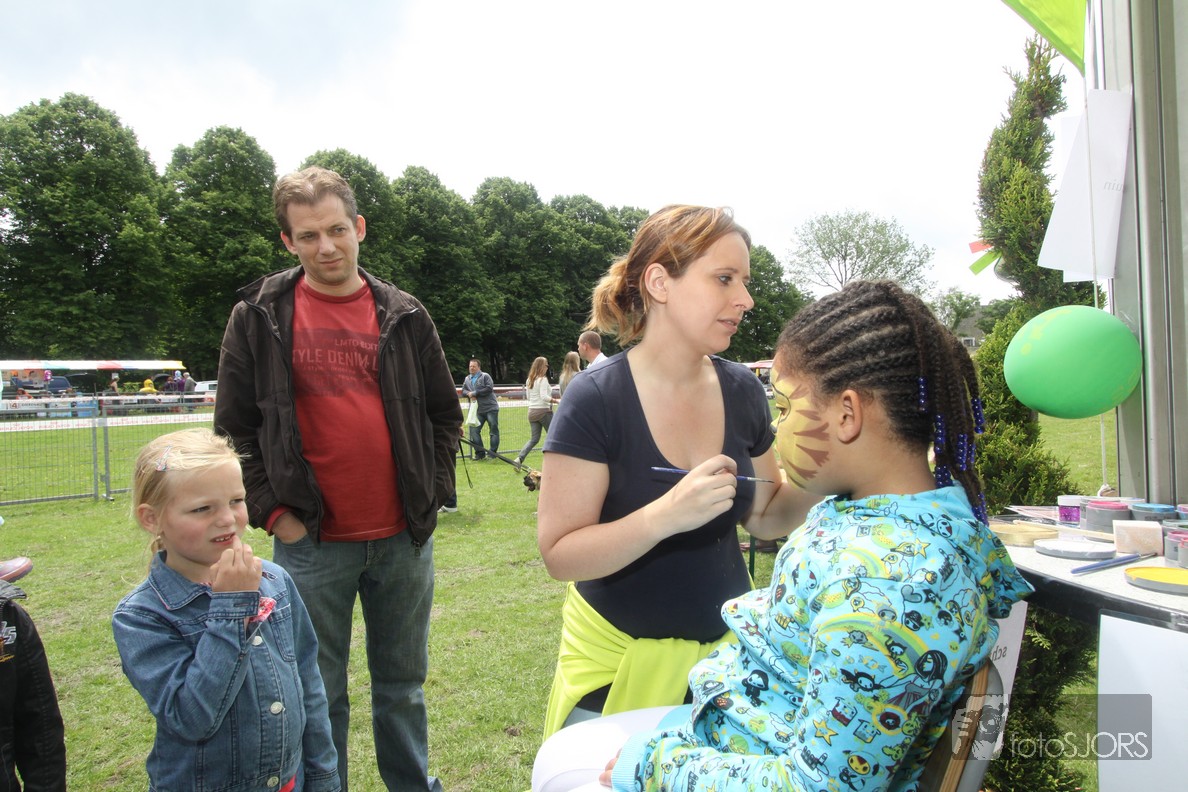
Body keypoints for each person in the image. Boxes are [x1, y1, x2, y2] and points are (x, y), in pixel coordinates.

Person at [600, 280, 1033, 790]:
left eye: (784, 409)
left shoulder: (890, 587)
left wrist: (656, 765)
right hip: (732, 740)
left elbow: (818, 785)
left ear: (847, 414)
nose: (775, 428)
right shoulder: (863, 519)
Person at [214, 166, 460, 791]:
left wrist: (429, 499)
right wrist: (276, 515)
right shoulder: (257, 315)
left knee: (403, 687)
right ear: (287, 241)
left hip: (403, 540)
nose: (326, 247)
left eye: (336, 230)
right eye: (308, 236)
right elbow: (235, 430)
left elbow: (443, 416)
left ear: (360, 228)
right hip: (310, 544)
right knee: (318, 692)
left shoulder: (406, 313)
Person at [537, 205, 819, 737]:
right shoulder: (595, 398)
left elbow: (764, 515)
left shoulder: (743, 390)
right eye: (725, 279)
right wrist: (664, 515)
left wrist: (826, 475)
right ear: (660, 283)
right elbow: (560, 554)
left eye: (745, 282)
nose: (746, 299)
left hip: (727, 672)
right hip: (614, 676)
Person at [112, 429, 339, 792]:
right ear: (151, 519)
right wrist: (233, 607)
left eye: (236, 500)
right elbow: (192, 718)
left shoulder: (275, 581)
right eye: (202, 508)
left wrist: (323, 776)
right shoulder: (141, 616)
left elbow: (308, 685)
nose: (228, 519)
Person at [516, 356, 557, 468]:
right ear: (541, 367)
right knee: (554, 436)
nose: (547, 367)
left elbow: (529, 397)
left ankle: (519, 459)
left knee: (534, 439)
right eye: (546, 365)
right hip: (544, 412)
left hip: (532, 413)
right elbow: (544, 397)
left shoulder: (529, 380)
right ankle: (554, 461)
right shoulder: (543, 380)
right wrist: (556, 400)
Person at [461, 357, 500, 460]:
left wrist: (475, 393)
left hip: (491, 408)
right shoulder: (467, 379)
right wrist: (469, 394)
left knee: (493, 431)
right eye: (470, 366)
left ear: (479, 367)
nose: (471, 368)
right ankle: (480, 453)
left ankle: (492, 453)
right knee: (474, 431)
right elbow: (463, 391)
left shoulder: (485, 376)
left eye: (474, 366)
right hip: (478, 410)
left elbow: (489, 388)